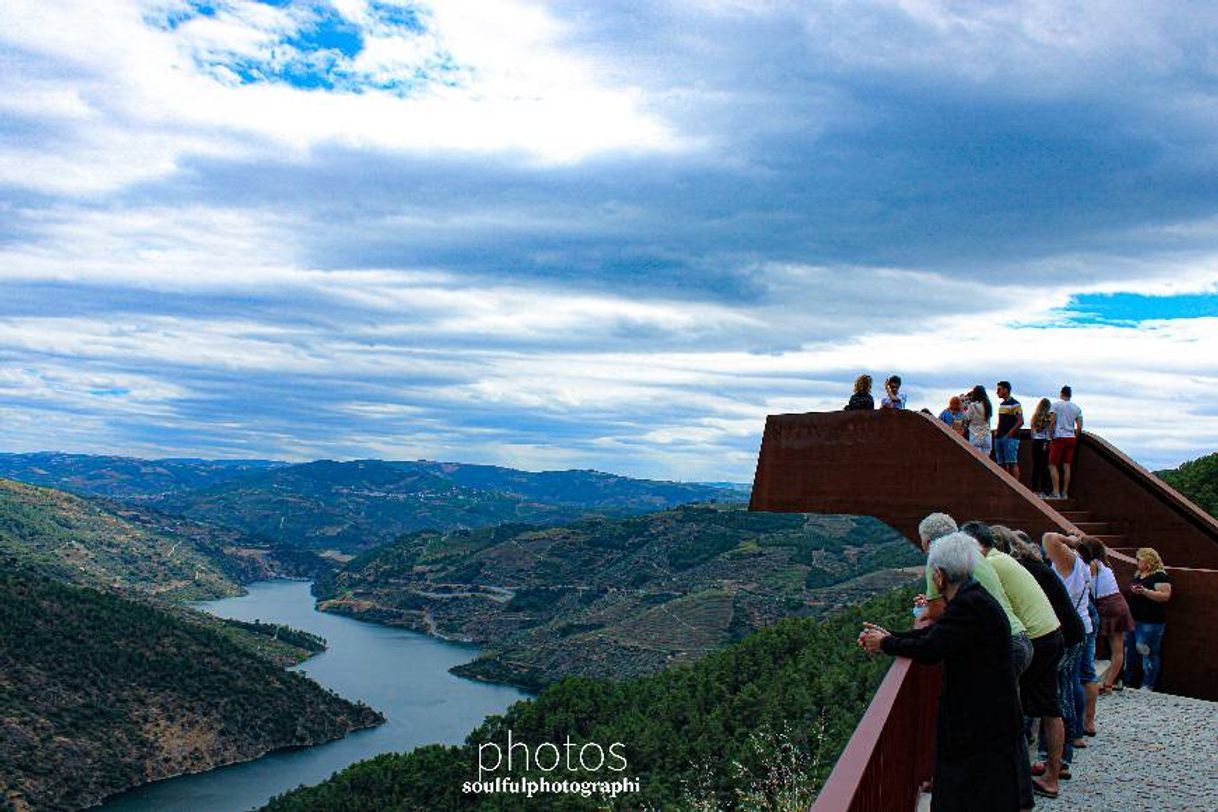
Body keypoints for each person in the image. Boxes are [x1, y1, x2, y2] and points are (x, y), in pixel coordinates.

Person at [860, 533, 1023, 812]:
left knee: (968, 790)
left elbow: (931, 648)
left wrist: (886, 643)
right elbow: (938, 636)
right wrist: (891, 637)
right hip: (990, 715)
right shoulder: (974, 599)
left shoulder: (969, 606)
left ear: (938, 576)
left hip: (980, 721)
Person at [961, 521, 1063, 801]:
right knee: (1045, 706)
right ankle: (1049, 771)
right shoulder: (1001, 557)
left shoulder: (988, 564)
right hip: (1048, 632)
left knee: (1035, 707)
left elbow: (988, 606)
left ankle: (1046, 778)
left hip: (1037, 637)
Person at [997, 527, 1085, 786]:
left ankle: (1058, 765)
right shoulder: (1030, 565)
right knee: (1055, 698)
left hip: (1060, 636)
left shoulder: (1016, 569)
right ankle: (1052, 763)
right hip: (1061, 633)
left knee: (1056, 699)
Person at [1041, 530, 1096, 749]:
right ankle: (1078, 730)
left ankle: (1071, 733)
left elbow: (1048, 538)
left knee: (1068, 682)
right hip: (1083, 623)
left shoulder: (1070, 564)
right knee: (1079, 677)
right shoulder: (1083, 566)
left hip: (1069, 626)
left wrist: (1069, 540)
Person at [1084, 537, 1134, 694]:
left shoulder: (1091, 565)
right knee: (1117, 648)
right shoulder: (1105, 565)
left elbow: (1084, 584)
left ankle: (1102, 682)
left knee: (1104, 645)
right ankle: (1109, 683)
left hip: (1107, 605)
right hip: (1118, 602)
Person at [1124, 547, 1173, 691]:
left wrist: (1145, 591)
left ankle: (1147, 684)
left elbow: (1165, 596)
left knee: (1148, 652)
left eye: (1140, 559)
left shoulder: (1159, 576)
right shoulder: (1138, 573)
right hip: (1134, 619)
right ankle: (1128, 680)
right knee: (1130, 650)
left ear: (1149, 561)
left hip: (1150, 621)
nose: (1137, 562)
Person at [1048, 386, 1083, 499]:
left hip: (1059, 437)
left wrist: (1050, 435)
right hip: (1071, 438)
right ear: (1070, 395)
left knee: (1053, 465)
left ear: (1061, 393)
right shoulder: (1076, 408)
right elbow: (1079, 426)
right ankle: (1065, 493)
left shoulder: (1056, 405)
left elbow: (1052, 421)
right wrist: (1075, 436)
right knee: (1067, 465)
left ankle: (1056, 492)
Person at [994, 381, 1024, 480]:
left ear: (1005, 390)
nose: (997, 392)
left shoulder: (1015, 404)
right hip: (1000, 437)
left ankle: (1017, 489)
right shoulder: (1002, 404)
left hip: (1010, 438)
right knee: (1000, 464)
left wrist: (1009, 434)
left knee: (1012, 463)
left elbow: (1020, 421)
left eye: (999, 389)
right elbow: (1001, 421)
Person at [1028, 398, 1052, 497]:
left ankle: (1034, 490)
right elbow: (1049, 432)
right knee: (1044, 467)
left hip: (1035, 442)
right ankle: (1043, 490)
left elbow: (1032, 432)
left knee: (1036, 466)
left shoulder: (1035, 416)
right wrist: (1047, 443)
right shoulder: (1048, 417)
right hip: (1044, 442)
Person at [965, 385, 993, 456]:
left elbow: (968, 418)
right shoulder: (988, 405)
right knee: (986, 460)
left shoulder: (972, 405)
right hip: (986, 434)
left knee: (976, 460)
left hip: (975, 434)